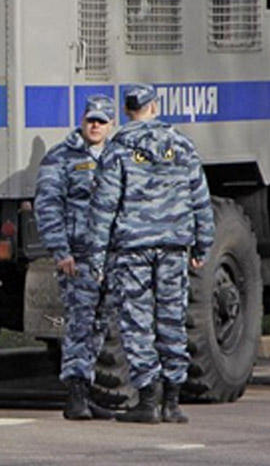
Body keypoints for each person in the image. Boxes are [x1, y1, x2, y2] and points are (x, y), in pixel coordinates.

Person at [88, 84, 214, 424]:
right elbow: (200, 198)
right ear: (154, 107)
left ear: (128, 111)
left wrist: (96, 257)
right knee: (173, 318)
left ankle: (147, 401)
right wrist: (203, 243)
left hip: (133, 250)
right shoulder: (182, 145)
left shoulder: (118, 149)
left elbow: (103, 208)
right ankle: (172, 402)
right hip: (174, 246)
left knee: (137, 322)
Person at [34, 94, 116, 420]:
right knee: (79, 326)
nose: (94, 126)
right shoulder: (61, 158)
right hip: (78, 257)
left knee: (99, 326)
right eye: (90, 120)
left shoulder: (119, 156)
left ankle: (89, 389)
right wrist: (60, 251)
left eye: (101, 121)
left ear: (111, 125)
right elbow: (48, 206)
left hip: (111, 256)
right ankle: (75, 396)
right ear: (82, 121)